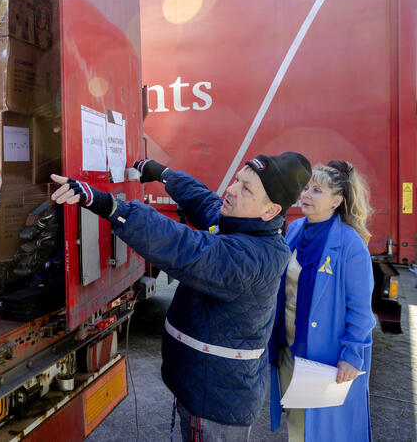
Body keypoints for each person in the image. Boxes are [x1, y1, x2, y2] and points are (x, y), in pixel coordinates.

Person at [50, 152, 312, 441]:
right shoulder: (242, 222)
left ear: (270, 210)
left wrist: (108, 205)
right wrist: (163, 174)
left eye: (246, 188)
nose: (231, 189)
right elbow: (203, 200)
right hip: (201, 387)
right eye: (237, 180)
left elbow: (183, 246)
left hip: (214, 404)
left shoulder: (254, 257)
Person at [268, 160, 376, 441]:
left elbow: (361, 310)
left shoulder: (351, 244)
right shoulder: (294, 229)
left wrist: (352, 355)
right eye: (305, 188)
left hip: (324, 360)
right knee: (297, 423)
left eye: (316, 190)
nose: (305, 195)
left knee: (319, 432)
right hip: (289, 350)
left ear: (336, 201)